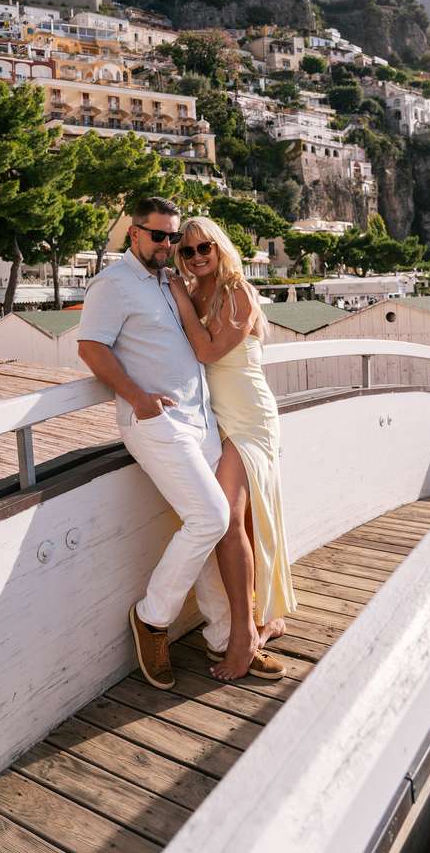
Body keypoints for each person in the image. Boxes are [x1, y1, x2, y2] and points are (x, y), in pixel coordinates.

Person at [77, 196, 281, 691]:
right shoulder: (113, 284)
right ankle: (152, 618)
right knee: (211, 517)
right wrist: (137, 397)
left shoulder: (170, 282)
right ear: (134, 233)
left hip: (203, 418)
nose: (170, 245)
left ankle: (225, 636)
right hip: (157, 420)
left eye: (175, 238)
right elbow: (90, 347)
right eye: (161, 236)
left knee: (219, 525)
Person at [168, 216, 297, 680]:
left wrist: (179, 298)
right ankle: (266, 615)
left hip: (250, 419)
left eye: (204, 247)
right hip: (218, 420)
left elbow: (208, 351)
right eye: (187, 251)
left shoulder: (237, 290)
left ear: (219, 247)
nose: (197, 257)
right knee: (246, 520)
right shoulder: (194, 291)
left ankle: (242, 636)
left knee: (227, 519)